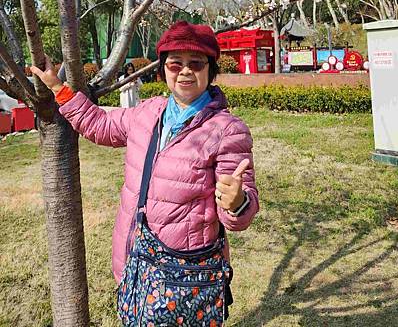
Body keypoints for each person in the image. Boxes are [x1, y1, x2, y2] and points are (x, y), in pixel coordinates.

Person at [30, 20, 258, 325]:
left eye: (197, 64)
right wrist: (59, 89)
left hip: (184, 275)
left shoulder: (227, 131)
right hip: (135, 260)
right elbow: (101, 126)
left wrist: (237, 202)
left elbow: (240, 215)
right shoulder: (148, 112)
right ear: (163, 69)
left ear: (210, 70)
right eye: (176, 64)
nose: (186, 72)